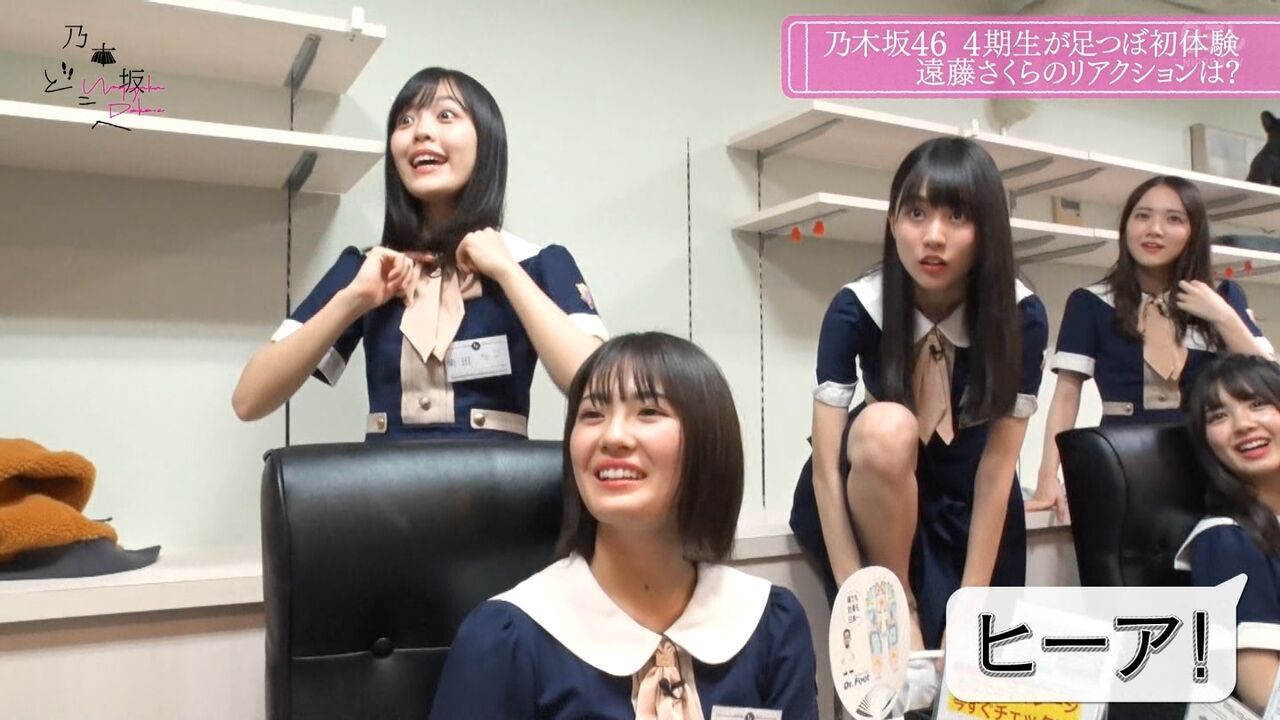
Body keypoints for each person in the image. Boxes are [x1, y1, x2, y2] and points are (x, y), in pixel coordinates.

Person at [430, 332, 819, 719]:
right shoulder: (505, 639)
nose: (612, 437)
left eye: (648, 412)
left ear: (708, 441)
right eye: (592, 415)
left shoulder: (769, 624)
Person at [232, 67, 606, 440]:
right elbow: (249, 400)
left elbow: (601, 391)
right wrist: (354, 299)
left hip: (497, 478)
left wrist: (507, 272)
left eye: (446, 115)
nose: (421, 132)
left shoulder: (536, 263)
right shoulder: (368, 270)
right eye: (405, 120)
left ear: (487, 139)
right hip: (383, 479)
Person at [789, 136, 1049, 657]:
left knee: (968, 675)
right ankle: (900, 599)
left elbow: (998, 469)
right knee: (886, 427)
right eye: (915, 213)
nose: (933, 237)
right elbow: (825, 469)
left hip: (973, 504)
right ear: (891, 223)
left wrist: (971, 604)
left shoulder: (1020, 317)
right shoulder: (856, 308)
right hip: (871, 495)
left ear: (988, 229)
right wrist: (866, 601)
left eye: (957, 216)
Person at [1030, 175, 1272, 521]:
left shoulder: (1220, 297)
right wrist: (1047, 477)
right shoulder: (1090, 303)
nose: (1154, 230)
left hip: (1209, 463)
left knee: (1216, 551)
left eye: (1173, 219)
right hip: (1121, 463)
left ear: (1194, 231)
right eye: (1142, 216)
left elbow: (1267, 379)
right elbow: (1066, 396)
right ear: (1126, 225)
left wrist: (1222, 316)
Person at [1175, 353, 1280, 714]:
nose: (1243, 424)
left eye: (1258, 403)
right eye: (1219, 416)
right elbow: (1264, 693)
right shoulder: (1227, 542)